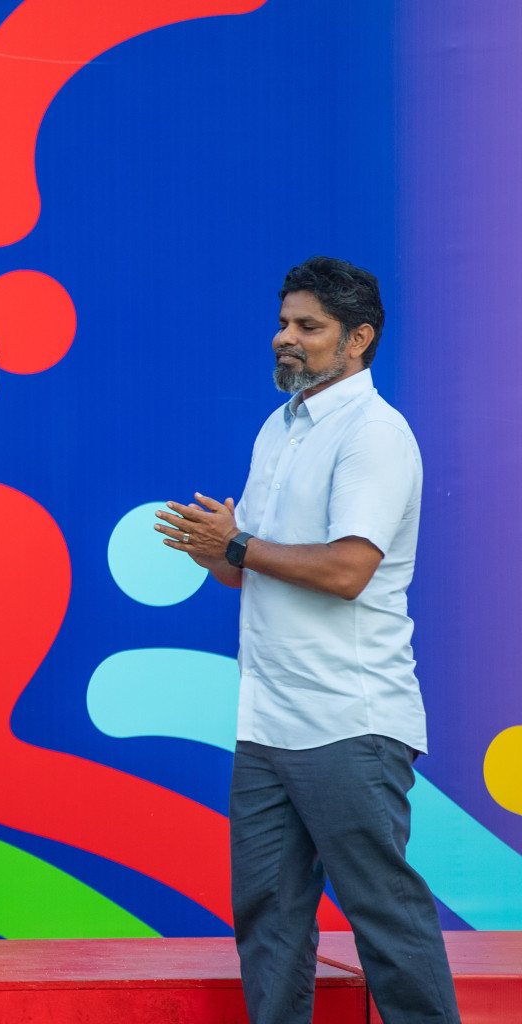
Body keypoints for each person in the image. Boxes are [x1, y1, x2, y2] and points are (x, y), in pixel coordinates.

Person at [155, 257, 459, 1024]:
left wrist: (237, 547)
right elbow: (249, 567)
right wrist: (214, 549)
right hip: (267, 721)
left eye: (307, 327)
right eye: (284, 322)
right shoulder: (278, 427)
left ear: (358, 339)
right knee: (267, 916)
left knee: (382, 913)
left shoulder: (376, 435)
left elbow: (350, 568)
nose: (283, 337)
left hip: (347, 720)